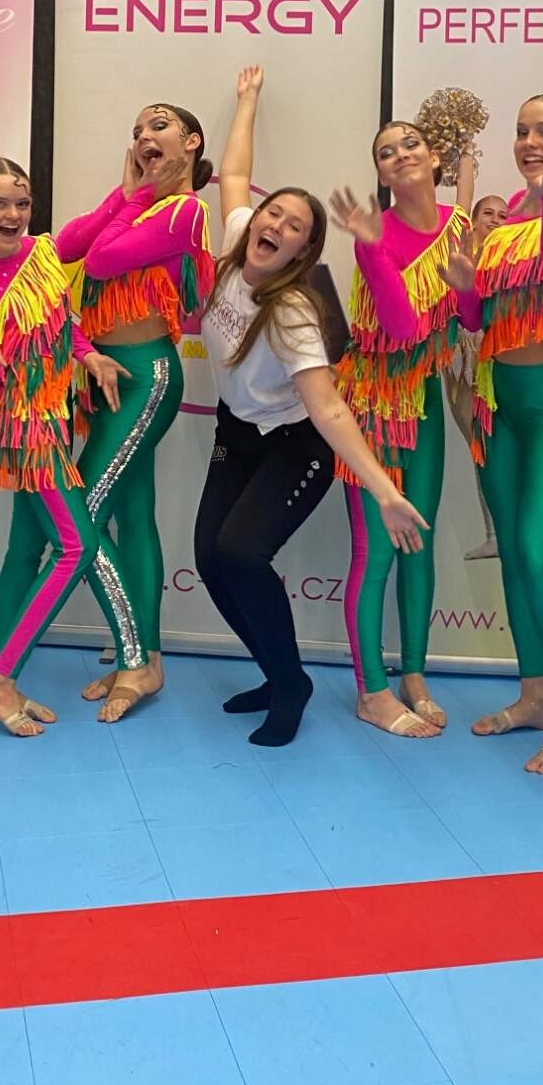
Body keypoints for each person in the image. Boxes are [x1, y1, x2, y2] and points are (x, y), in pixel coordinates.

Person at [199, 69, 428, 747]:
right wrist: (247, 101)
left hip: (294, 446)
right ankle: (277, 674)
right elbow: (235, 175)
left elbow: (329, 412)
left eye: (294, 226)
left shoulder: (293, 311)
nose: (275, 224)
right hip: (237, 432)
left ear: (304, 249)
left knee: (242, 553)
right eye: (274, 214)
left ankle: (291, 684)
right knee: (211, 559)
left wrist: (385, 490)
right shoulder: (238, 241)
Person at [446, 95, 543, 776]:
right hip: (498, 403)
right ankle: (534, 694)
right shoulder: (506, 217)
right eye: (522, 130)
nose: (530, 140)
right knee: (512, 553)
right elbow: (476, 316)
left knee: (540, 556)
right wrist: (463, 284)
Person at [53, 103, 216, 722]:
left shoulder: (184, 211)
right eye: (138, 130)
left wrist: (135, 198)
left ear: (191, 142)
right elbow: (68, 247)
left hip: (144, 376)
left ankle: (134, 659)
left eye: (159, 125)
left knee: (79, 519)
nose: (145, 135)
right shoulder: (138, 205)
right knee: (132, 517)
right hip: (105, 378)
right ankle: (149, 656)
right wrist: (124, 195)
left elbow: (100, 262)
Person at [328, 114, 474, 737]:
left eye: (411, 143)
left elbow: (471, 319)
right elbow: (402, 328)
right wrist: (367, 247)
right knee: (377, 551)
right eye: (386, 152)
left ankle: (415, 674)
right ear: (381, 174)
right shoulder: (376, 233)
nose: (401, 154)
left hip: (425, 403)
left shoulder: (459, 225)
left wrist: (469, 291)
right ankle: (372, 691)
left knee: (421, 542)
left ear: (434, 159)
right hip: (373, 406)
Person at [0, 159, 124, 736]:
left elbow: (62, 321)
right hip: (24, 429)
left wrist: (89, 355)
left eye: (22, 203)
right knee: (76, 547)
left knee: (23, 549)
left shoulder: (40, 254)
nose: (13, 214)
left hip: (54, 419)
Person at [443, 193, 509, 559]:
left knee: (514, 448)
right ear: (473, 218)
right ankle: (493, 533)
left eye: (503, 215)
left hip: (500, 361)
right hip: (462, 365)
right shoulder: (456, 252)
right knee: (480, 448)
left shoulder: (510, 260)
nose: (496, 219)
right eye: (488, 212)